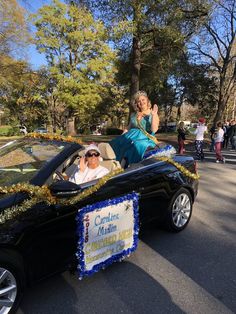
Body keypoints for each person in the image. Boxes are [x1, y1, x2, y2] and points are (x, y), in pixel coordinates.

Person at [110, 91, 159, 166]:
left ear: (147, 100)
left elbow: (154, 130)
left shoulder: (152, 113)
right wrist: (121, 137)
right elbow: (128, 127)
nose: (141, 102)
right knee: (115, 142)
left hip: (145, 138)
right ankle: (112, 164)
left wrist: (154, 115)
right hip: (131, 136)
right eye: (138, 101)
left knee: (135, 145)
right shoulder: (134, 115)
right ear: (136, 104)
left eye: (143, 100)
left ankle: (124, 167)